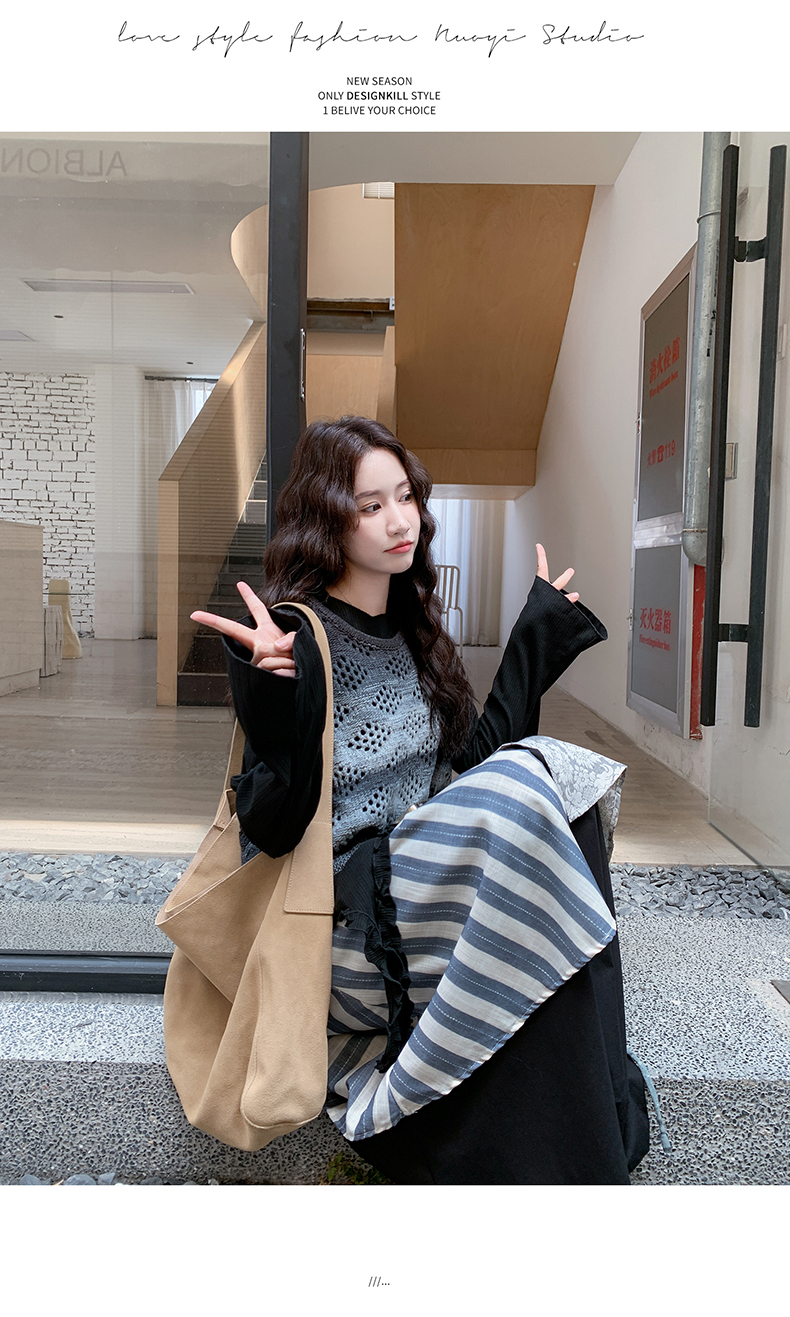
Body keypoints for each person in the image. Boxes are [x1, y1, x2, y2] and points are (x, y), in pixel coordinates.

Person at [191, 414, 649, 1184]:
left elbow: (465, 777)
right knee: (536, 777)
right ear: (326, 519)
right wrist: (276, 699)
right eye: (370, 506)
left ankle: (601, 1102)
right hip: (344, 932)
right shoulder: (299, 637)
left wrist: (533, 637)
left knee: (557, 787)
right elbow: (269, 826)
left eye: (405, 496)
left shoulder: (412, 630)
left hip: (419, 892)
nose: (400, 520)